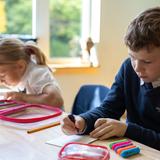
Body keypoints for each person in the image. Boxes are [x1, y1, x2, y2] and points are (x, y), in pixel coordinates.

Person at [61, 6, 160, 150]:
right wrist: (82, 121)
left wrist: (127, 129)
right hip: (134, 151)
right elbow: (108, 109)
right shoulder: (128, 68)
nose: (137, 68)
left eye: (147, 61)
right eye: (132, 57)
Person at [0, 38, 64, 108]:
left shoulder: (37, 73)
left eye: (2, 75)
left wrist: (22, 98)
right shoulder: (20, 75)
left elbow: (56, 100)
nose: (0, 81)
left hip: (56, 118)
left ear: (20, 66)